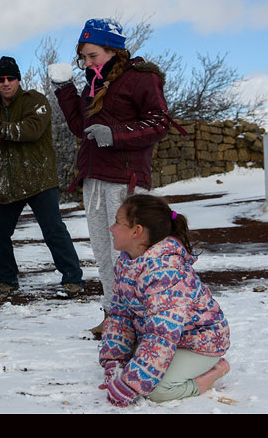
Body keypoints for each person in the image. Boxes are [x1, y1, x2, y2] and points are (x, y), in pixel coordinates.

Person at [50, 18, 187, 336]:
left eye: (92, 55)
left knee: (128, 253)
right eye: (83, 57)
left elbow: (159, 123)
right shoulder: (93, 84)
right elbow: (78, 128)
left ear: (113, 50)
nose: (87, 62)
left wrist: (115, 134)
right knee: (103, 252)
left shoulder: (141, 79)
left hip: (126, 181)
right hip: (94, 179)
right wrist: (65, 90)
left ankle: (139, 319)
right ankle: (115, 317)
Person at [98, 193, 230, 407]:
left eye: (117, 222)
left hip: (199, 342)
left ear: (136, 231)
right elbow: (120, 315)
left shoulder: (165, 274)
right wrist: (115, 360)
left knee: (155, 391)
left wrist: (132, 386)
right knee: (133, 370)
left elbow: (162, 334)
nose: (111, 228)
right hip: (170, 340)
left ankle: (215, 370)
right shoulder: (127, 264)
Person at [0, 56, 84, 298]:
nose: (6, 83)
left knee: (53, 229)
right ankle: (7, 281)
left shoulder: (36, 101)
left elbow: (32, 131)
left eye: (10, 78)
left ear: (18, 79)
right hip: (7, 183)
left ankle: (73, 279)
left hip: (39, 178)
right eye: (0, 79)